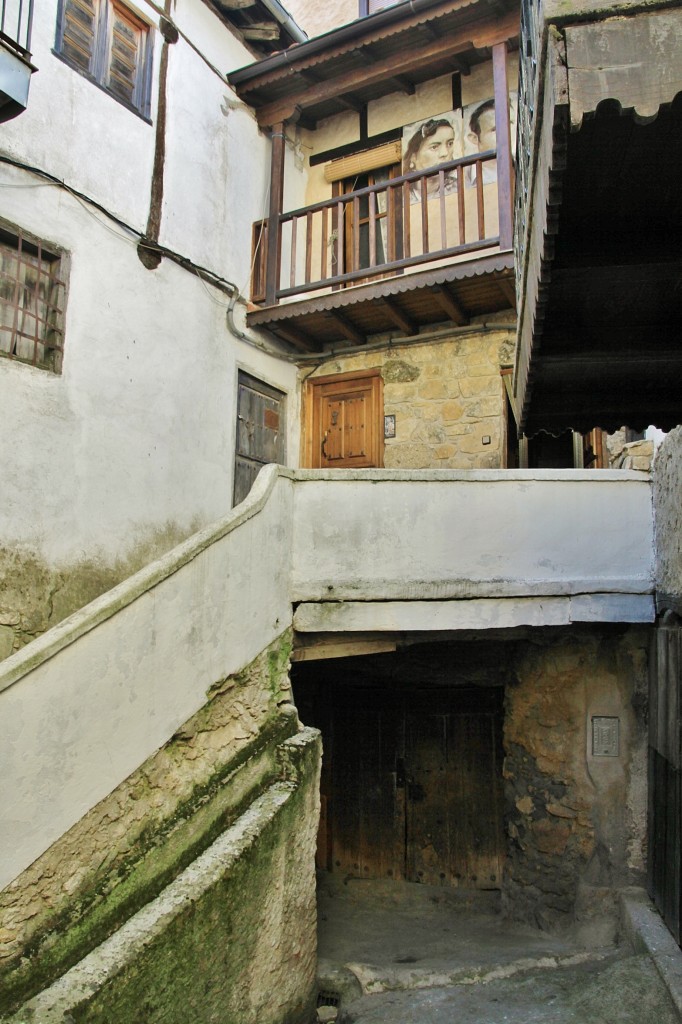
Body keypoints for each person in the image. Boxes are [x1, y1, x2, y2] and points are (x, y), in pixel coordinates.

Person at [402, 117, 458, 202]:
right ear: (413, 157)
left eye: (450, 144)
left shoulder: (458, 186)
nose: (445, 153)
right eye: (434, 147)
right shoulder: (401, 197)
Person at [465, 98, 498, 187]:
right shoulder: (465, 175)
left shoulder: (517, 165)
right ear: (474, 138)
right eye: (494, 129)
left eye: (509, 124)